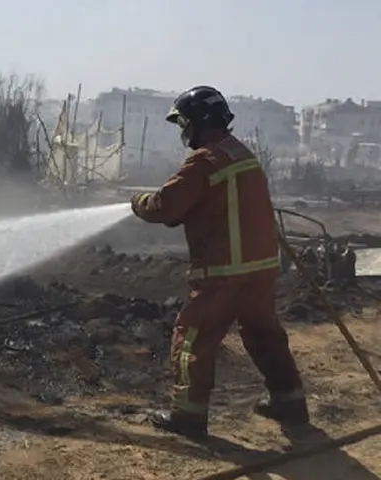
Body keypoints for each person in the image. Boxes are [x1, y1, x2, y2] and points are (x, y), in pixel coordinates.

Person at [130, 85, 309, 441]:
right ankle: (290, 401)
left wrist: (138, 202)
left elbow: (167, 205)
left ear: (199, 122)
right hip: (260, 267)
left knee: (192, 338)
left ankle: (188, 416)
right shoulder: (241, 153)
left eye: (185, 124)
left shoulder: (204, 160)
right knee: (263, 333)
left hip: (224, 271)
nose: (184, 133)